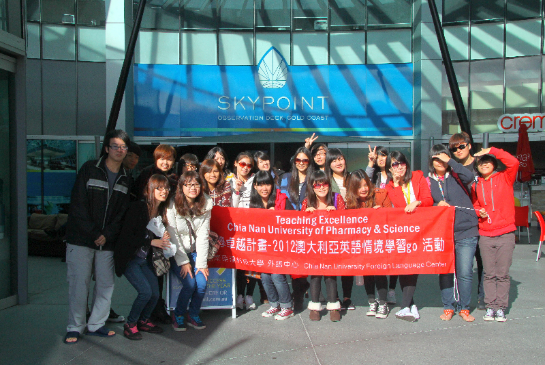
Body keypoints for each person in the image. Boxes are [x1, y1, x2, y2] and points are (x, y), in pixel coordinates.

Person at [64, 129, 131, 344]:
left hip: (107, 242)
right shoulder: (89, 169)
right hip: (81, 239)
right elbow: (78, 205)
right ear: (106, 149)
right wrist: (95, 233)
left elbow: (122, 213)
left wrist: (107, 234)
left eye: (123, 147)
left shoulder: (126, 177)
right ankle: (75, 326)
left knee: (105, 284)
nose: (120, 150)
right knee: (78, 284)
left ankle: (96, 324)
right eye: (115, 146)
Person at [114, 174, 171, 340]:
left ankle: (144, 320)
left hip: (145, 260)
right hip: (131, 259)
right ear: (150, 189)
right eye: (159, 188)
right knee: (145, 292)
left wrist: (163, 239)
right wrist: (152, 240)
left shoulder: (161, 211)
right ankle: (130, 324)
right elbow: (126, 236)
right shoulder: (138, 208)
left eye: (166, 188)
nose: (164, 191)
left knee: (154, 293)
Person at [428, 144, 479, 322]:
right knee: (446, 271)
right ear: (431, 161)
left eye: (443, 157)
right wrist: (436, 205)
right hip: (444, 233)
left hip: (466, 230)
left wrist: (451, 161)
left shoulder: (457, 174)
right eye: (436, 158)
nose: (440, 161)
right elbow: (425, 204)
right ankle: (448, 306)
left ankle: (464, 308)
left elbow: (470, 176)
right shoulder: (428, 181)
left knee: (465, 272)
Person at [471, 147, 519, 322]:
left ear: (494, 163)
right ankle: (490, 306)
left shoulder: (505, 177)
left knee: (503, 274)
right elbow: (475, 204)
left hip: (505, 233)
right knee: (489, 274)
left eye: (488, 161)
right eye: (481, 162)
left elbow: (514, 162)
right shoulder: (476, 184)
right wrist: (478, 212)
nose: (484, 164)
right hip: (485, 234)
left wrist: (492, 150)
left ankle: (501, 308)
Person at [384, 151, 433, 322]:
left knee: (413, 266)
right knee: (402, 267)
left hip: (420, 229)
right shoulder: (389, 186)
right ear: (390, 168)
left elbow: (428, 199)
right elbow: (398, 206)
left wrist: (417, 202)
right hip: (401, 231)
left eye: (401, 163)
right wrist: (397, 185)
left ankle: (405, 305)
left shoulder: (418, 177)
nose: (399, 167)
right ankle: (410, 305)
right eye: (394, 165)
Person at [166, 171, 213, 331]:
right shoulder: (172, 205)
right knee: (189, 283)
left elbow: (202, 235)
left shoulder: (206, 203)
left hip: (195, 252)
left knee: (201, 283)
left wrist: (201, 263)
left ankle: (193, 314)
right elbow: (173, 235)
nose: (193, 188)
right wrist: (184, 262)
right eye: (189, 184)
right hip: (177, 252)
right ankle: (178, 314)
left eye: (197, 184)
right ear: (181, 186)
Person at [345, 169, 392, 319]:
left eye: (365, 185)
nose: (363, 189)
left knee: (379, 272)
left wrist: (382, 212)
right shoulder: (350, 202)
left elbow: (392, 216)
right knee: (367, 273)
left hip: (379, 241)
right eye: (359, 187)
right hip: (362, 243)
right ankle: (372, 301)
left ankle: (383, 303)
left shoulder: (380, 194)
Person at [249, 171, 295, 320]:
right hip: (263, 247)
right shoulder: (253, 203)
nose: (264, 188)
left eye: (267, 183)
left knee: (276, 275)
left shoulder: (282, 199)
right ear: (255, 186)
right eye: (260, 184)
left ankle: (287, 306)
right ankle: (275, 305)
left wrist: (278, 216)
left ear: (272, 185)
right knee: (265, 276)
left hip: (280, 247)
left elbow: (293, 221)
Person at [302, 170, 345, 322]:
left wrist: (337, 214)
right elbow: (299, 225)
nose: (321, 187)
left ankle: (333, 306)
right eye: (317, 184)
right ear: (312, 187)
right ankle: (315, 307)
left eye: (324, 183)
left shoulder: (336, 198)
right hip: (314, 245)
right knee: (315, 276)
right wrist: (306, 214)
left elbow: (347, 221)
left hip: (332, 245)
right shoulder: (307, 201)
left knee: (330, 276)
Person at [449, 132, 485, 310]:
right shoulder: (451, 169)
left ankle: (483, 297)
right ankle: (467, 298)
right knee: (466, 265)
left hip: (483, 219)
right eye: (454, 148)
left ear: (469, 146)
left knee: (483, 261)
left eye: (461, 146)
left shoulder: (480, 165)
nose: (458, 150)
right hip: (464, 222)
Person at [278, 148, 313, 310]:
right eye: (298, 160)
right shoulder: (285, 178)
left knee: (302, 264)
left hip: (309, 227)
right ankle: (299, 290)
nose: (301, 163)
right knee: (291, 262)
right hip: (289, 227)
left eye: (305, 160)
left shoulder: (314, 178)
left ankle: (298, 296)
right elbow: (279, 200)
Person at [365, 145, 397, 304]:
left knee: (393, 257)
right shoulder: (374, 176)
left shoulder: (395, 174)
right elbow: (364, 180)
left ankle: (391, 290)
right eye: (379, 156)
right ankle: (377, 295)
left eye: (384, 155)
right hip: (375, 223)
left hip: (393, 221)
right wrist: (370, 163)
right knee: (378, 258)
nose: (381, 159)